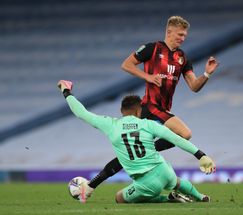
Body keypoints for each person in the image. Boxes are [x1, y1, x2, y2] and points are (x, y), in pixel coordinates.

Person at [86, 15, 219, 199]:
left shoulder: (182, 57)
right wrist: (147, 77)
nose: (182, 38)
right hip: (150, 107)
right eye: (180, 34)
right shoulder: (152, 49)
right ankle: (146, 152)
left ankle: (92, 184)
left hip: (163, 109)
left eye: (185, 35)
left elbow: (194, 86)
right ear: (169, 31)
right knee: (185, 134)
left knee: (131, 154)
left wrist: (207, 74)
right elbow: (126, 65)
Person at [58, 80, 215, 203]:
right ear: (139, 110)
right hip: (164, 171)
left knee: (119, 198)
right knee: (178, 182)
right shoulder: (149, 124)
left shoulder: (111, 125)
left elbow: (81, 113)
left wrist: (66, 92)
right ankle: (200, 196)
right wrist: (201, 155)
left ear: (121, 111)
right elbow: (176, 138)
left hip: (146, 182)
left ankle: (168, 199)